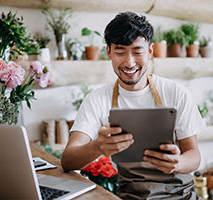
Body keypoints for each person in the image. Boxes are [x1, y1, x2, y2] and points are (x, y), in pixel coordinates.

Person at [61, 12, 205, 199]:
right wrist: (97, 147)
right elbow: (68, 160)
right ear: (109, 53)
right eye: (120, 52)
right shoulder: (96, 99)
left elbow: (194, 155)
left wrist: (177, 162)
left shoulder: (176, 92)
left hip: (180, 195)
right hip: (130, 196)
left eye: (137, 52)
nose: (129, 62)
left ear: (150, 52)